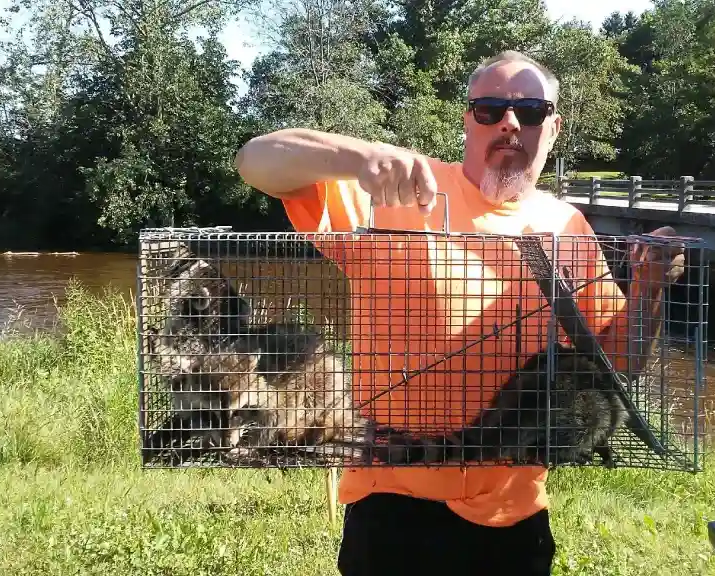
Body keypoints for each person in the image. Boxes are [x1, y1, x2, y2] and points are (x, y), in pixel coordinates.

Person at [235, 50, 685, 576]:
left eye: (530, 111)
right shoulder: (401, 192)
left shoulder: (568, 226)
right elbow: (256, 162)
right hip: (393, 504)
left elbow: (618, 364)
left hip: (514, 513)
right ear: (469, 120)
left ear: (553, 127)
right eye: (490, 109)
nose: (509, 123)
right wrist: (360, 156)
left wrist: (649, 288)